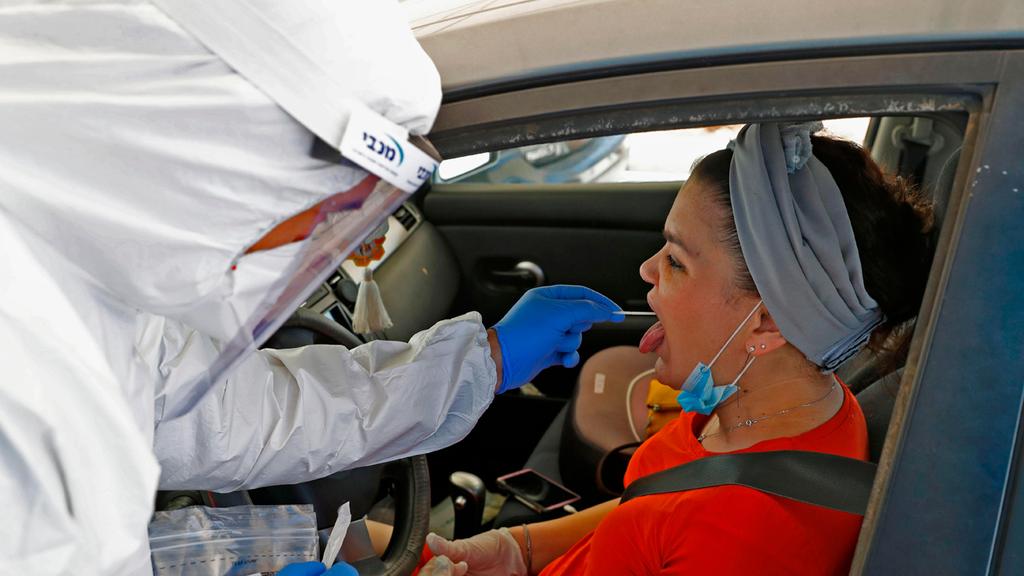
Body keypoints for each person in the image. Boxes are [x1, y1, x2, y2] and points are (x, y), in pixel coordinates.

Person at [0, 2, 621, 574]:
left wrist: (478, 362)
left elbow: (236, 415)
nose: (315, 237)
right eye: (309, 199)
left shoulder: (88, 285)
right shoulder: (27, 375)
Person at [422, 122, 936, 575]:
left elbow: (688, 516)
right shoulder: (784, 410)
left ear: (765, 322)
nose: (647, 269)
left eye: (675, 260)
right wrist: (520, 547)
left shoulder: (744, 543)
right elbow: (657, 502)